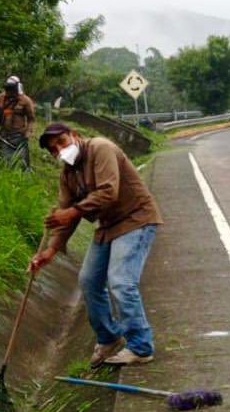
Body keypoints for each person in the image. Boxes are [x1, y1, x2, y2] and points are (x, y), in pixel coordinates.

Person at [29, 123, 163, 367]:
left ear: (75, 135)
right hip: (108, 226)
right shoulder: (68, 174)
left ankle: (141, 347)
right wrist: (50, 250)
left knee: (121, 281)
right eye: (53, 149)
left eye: (61, 141)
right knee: (89, 281)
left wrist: (70, 213)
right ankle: (109, 337)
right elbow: (65, 216)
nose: (59, 150)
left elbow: (108, 192)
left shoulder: (101, 148)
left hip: (136, 219)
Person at [0, 75, 36, 170]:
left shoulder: (26, 101)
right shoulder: (1, 98)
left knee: (21, 163)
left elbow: (31, 119)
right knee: (2, 160)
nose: (9, 92)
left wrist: (27, 134)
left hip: (19, 136)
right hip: (4, 135)